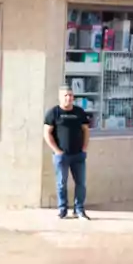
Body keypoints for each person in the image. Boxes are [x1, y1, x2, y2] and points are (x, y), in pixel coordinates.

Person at [44, 86, 91, 220]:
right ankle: (62, 210)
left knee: (81, 183)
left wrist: (84, 148)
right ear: (60, 97)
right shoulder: (53, 113)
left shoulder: (79, 112)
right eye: (65, 95)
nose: (68, 98)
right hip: (61, 156)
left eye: (70, 95)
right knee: (61, 183)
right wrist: (57, 151)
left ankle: (79, 210)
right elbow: (47, 133)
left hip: (78, 155)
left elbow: (86, 130)